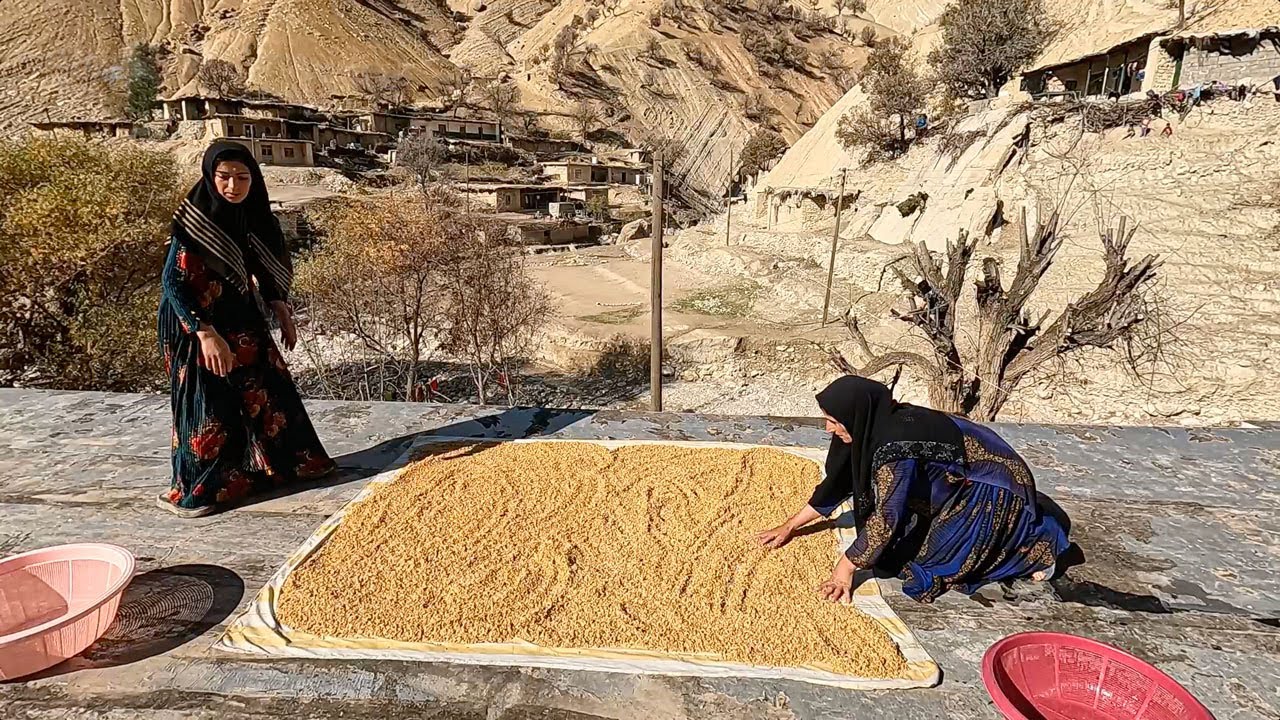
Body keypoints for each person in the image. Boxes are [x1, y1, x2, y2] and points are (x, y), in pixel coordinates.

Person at [757, 376, 1069, 604]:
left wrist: (845, 569)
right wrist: (790, 526)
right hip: (957, 476)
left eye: (833, 421)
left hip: (991, 487)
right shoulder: (868, 427)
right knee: (894, 551)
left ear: (856, 417)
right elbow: (837, 485)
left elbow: (887, 517)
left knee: (939, 564)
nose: (828, 430)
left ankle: (1039, 545)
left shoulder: (895, 450)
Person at [157, 141, 335, 518]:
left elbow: (263, 264)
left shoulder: (255, 216)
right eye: (224, 178)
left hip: (239, 315)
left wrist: (280, 306)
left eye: (242, 177)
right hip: (195, 321)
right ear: (210, 177)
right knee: (208, 404)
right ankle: (202, 490)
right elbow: (173, 282)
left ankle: (289, 467)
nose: (233, 187)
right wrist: (204, 333)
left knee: (271, 391)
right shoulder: (197, 219)